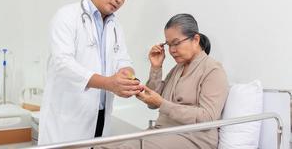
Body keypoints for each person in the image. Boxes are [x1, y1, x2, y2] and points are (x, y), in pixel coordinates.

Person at [38, 0, 143, 145]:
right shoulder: (67, 16)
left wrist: (127, 77)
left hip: (100, 118)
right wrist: (109, 83)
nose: (120, 0)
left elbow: (122, 59)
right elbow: (62, 64)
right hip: (68, 120)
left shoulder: (115, 26)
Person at [96, 13, 229, 149]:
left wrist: (162, 103)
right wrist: (156, 67)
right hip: (163, 132)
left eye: (176, 43)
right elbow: (153, 104)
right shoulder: (178, 69)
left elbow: (207, 117)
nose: (172, 50)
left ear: (195, 39)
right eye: (169, 45)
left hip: (193, 137)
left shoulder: (213, 70)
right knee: (102, 145)